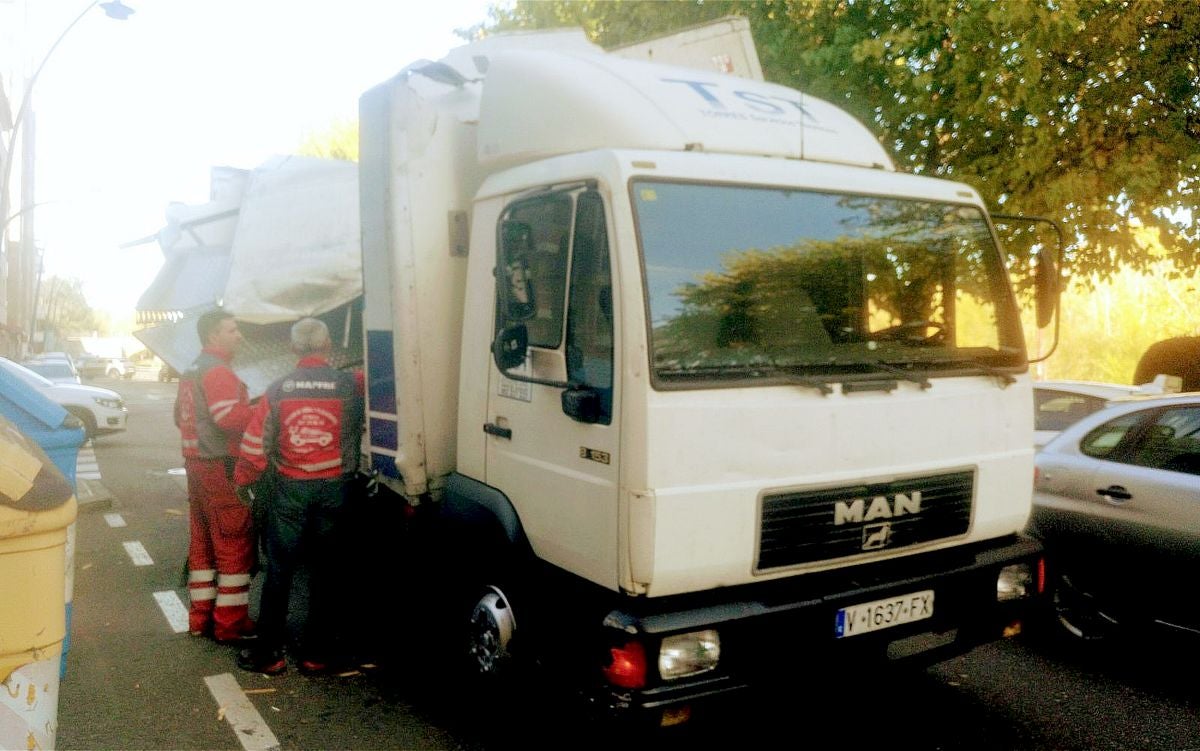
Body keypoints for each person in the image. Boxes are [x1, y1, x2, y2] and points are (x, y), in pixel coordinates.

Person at [234, 317, 364, 676]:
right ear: (328, 347)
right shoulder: (351, 385)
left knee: (280, 570)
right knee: (326, 572)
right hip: (335, 489)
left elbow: (255, 445)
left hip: (289, 491)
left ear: (293, 349)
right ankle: (316, 655)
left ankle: (269, 655)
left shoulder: (277, 390)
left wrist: (243, 481)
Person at [174, 308, 257, 644]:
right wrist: (261, 409)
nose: (238, 335)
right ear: (213, 336)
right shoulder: (218, 371)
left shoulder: (191, 369)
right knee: (234, 538)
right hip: (219, 463)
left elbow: (180, 418)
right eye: (232, 330)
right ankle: (230, 624)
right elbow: (228, 418)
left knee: (204, 542)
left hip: (195, 463)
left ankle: (201, 618)